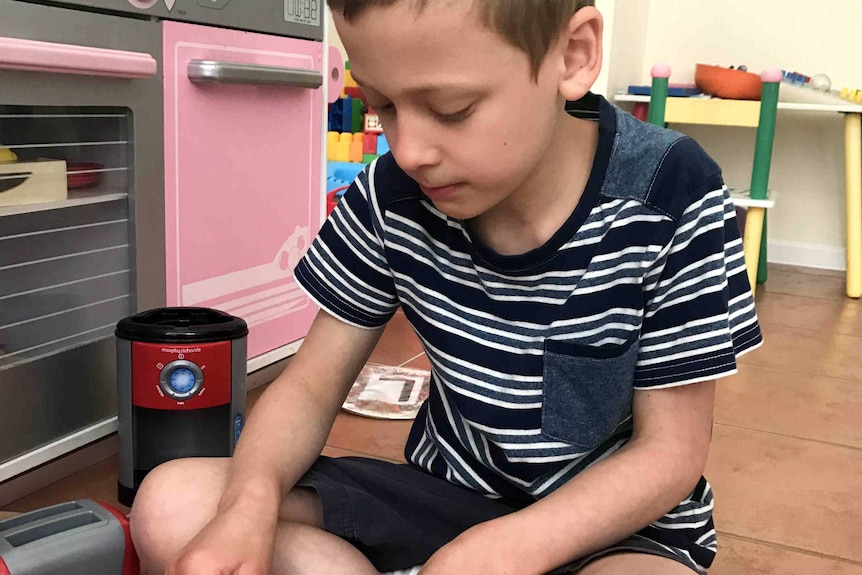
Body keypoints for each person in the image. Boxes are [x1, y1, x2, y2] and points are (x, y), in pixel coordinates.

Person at [129, 1, 763, 573]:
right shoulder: (391, 198)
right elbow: (310, 386)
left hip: (616, 532)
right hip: (442, 503)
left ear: (572, 57)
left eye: (450, 110)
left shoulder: (670, 194)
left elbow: (671, 452)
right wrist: (250, 504)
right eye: (382, 105)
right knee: (171, 504)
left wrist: (511, 549)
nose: (409, 151)